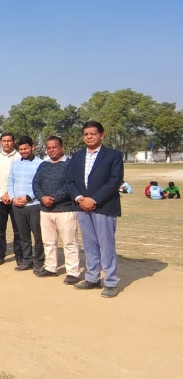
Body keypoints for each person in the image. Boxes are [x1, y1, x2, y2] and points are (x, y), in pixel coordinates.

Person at [66, 121, 124, 298]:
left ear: (102, 135)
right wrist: (79, 198)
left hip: (104, 206)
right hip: (82, 206)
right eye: (86, 134)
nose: (89, 137)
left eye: (93, 133)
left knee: (106, 245)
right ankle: (92, 277)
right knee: (89, 244)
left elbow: (115, 181)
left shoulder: (113, 155)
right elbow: (70, 181)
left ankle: (111, 281)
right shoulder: (77, 156)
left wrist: (94, 199)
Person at [32, 136, 80, 284]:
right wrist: (42, 197)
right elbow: (35, 183)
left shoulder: (70, 164)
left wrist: (53, 198)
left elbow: (70, 185)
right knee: (48, 242)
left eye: (54, 147)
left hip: (65, 210)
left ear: (62, 148)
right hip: (46, 210)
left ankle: (73, 272)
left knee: (69, 242)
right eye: (49, 148)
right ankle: (51, 267)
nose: (51, 150)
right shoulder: (43, 165)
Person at [7, 136, 44, 273]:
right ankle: (27, 260)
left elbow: (40, 184)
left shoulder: (40, 164)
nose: (23, 151)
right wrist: (13, 198)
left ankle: (39, 260)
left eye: (26, 149)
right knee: (23, 235)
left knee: (38, 235)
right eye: (21, 149)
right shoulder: (15, 163)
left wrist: (28, 197)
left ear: (32, 147)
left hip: (34, 205)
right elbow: (10, 181)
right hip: (17, 205)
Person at [0, 132, 21, 266]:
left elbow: (20, 179)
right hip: (0, 199)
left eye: (9, 140)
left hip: (16, 199)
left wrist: (10, 194)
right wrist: (1, 194)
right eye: (4, 141)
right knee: (0, 229)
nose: (6, 143)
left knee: (18, 229)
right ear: (0, 142)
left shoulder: (20, 157)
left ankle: (20, 255)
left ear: (14, 142)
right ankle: (0, 255)